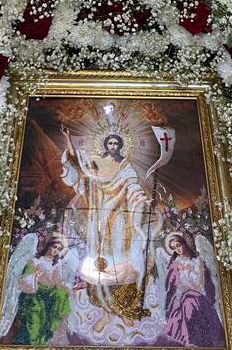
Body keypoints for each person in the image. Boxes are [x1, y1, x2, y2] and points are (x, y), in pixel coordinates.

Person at [60, 126, 161, 332]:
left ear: (121, 146)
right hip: (98, 218)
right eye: (110, 143)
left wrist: (144, 200)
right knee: (99, 265)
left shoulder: (125, 165)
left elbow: (134, 188)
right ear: (105, 145)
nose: (113, 146)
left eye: (116, 143)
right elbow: (77, 163)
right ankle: (106, 312)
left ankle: (123, 310)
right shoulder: (96, 162)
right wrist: (67, 139)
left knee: (121, 263)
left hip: (119, 219)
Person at [0, 232, 76, 345]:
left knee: (61, 295)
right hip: (33, 294)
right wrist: (36, 276)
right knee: (38, 309)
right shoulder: (35, 261)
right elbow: (23, 282)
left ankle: (50, 335)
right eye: (54, 247)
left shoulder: (57, 263)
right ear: (48, 245)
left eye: (59, 249)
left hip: (49, 294)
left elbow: (58, 281)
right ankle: (35, 341)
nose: (55, 251)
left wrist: (67, 288)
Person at [160, 232, 225, 347]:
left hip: (201, 296)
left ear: (184, 243)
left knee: (194, 303)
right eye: (174, 248)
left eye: (178, 245)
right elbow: (171, 289)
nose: (178, 250)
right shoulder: (175, 265)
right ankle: (192, 340)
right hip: (183, 298)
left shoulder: (198, 260)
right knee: (188, 304)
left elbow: (207, 281)